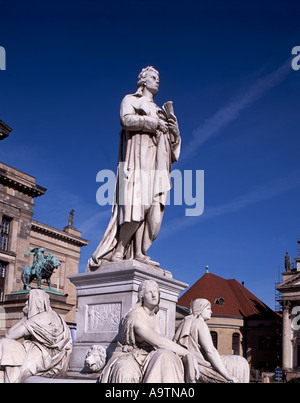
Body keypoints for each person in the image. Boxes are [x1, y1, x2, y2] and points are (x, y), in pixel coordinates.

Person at [87, 66, 181, 271]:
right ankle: (120, 250)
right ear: (143, 80)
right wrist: (153, 123)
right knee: (136, 205)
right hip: (137, 161)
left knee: (153, 215)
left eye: (158, 78)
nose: (157, 81)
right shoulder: (131, 99)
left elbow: (173, 150)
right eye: (153, 77)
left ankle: (139, 252)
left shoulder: (160, 111)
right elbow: (126, 120)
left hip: (157, 165)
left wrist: (174, 132)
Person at [100, 280, 204, 383]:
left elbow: (159, 344)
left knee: (167, 356)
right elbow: (158, 342)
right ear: (142, 296)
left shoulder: (156, 315)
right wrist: (188, 353)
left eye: (156, 292)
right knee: (125, 372)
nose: (154, 295)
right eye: (150, 292)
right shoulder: (136, 316)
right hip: (131, 355)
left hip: (149, 353)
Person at [0, 289, 72, 383]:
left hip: (45, 358)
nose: (26, 303)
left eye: (29, 300)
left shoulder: (40, 318)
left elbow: (10, 335)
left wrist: (25, 317)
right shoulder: (53, 316)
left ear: (36, 302)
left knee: (6, 344)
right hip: (49, 357)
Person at [174, 298, 250, 383]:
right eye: (208, 309)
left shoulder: (185, 322)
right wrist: (227, 375)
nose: (211, 312)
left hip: (190, 361)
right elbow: (210, 351)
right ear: (200, 309)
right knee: (240, 363)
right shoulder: (200, 324)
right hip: (201, 365)